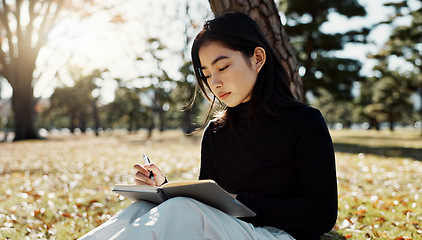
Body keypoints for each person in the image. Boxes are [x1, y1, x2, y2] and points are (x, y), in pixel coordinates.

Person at [79, 12, 337, 240]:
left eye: (223, 67)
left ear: (257, 58)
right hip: (228, 229)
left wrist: (239, 202)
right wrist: (164, 188)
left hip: (280, 235)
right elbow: (206, 204)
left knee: (183, 211)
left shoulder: (305, 122)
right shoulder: (216, 132)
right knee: (142, 209)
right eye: (206, 74)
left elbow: (321, 215)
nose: (215, 82)